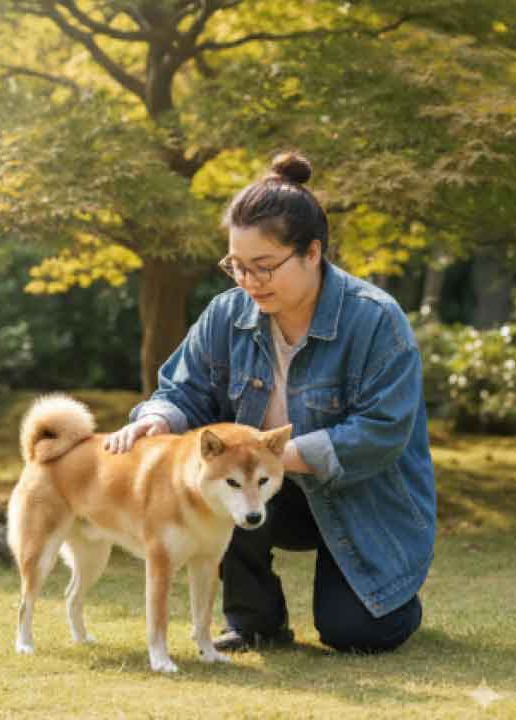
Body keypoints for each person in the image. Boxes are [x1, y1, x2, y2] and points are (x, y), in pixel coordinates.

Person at [104, 151, 435, 654]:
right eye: (236, 266)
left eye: (263, 267)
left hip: (361, 497)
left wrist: (277, 456)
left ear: (312, 253)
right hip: (259, 487)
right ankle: (256, 620)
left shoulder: (376, 320)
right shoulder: (227, 314)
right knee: (223, 485)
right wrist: (156, 418)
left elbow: (381, 430)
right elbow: (183, 389)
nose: (248, 282)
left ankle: (392, 599)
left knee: (357, 634)